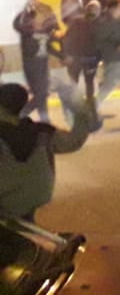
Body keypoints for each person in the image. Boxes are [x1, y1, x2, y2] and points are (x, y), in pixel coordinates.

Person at [0, 84, 91, 222]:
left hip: (7, 199)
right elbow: (73, 141)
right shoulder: (42, 132)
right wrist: (81, 114)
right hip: (38, 195)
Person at [12, 0, 59, 122]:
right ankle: (45, 120)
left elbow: (50, 44)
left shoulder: (44, 31)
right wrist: (26, 11)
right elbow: (17, 24)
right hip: (31, 63)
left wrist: (62, 56)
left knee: (43, 92)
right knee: (40, 92)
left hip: (42, 63)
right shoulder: (26, 30)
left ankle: (22, 113)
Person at [60, 0, 102, 129]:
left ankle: (86, 114)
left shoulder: (88, 23)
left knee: (83, 87)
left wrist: (66, 55)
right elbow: (67, 39)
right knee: (80, 87)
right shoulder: (81, 22)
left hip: (84, 59)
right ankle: (83, 114)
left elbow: (99, 43)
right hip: (81, 59)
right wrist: (67, 55)